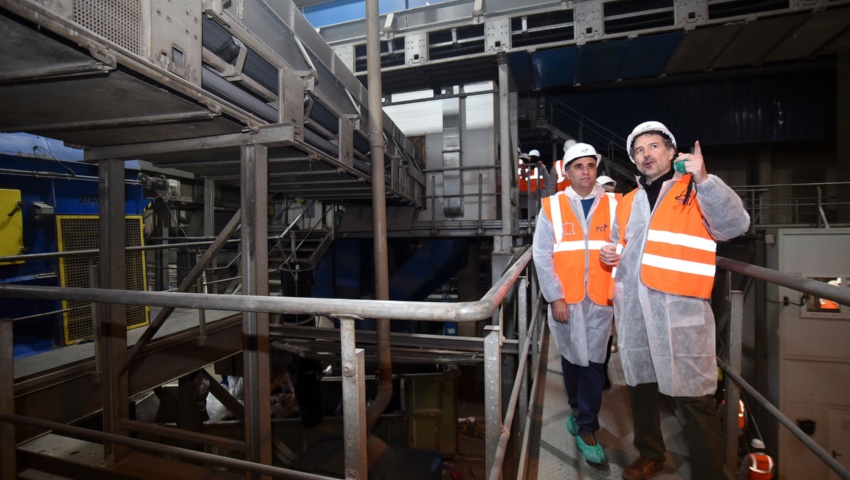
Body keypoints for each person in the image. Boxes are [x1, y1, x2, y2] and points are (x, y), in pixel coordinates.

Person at [600, 121, 750, 480]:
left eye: (653, 146)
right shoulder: (627, 202)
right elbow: (625, 246)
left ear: (671, 152)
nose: (645, 154)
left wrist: (705, 180)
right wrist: (612, 254)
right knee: (640, 388)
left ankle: (709, 473)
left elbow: (735, 225)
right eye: (638, 150)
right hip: (637, 311)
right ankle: (651, 454)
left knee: (695, 399)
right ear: (634, 161)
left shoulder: (695, 190)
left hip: (681, 312)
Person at [533, 142, 616, 465]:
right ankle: (574, 406)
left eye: (590, 166)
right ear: (567, 173)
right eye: (578, 167)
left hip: (600, 300)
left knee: (594, 364)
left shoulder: (613, 204)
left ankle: (586, 426)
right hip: (565, 300)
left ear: (596, 169)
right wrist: (555, 297)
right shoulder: (552, 206)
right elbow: (542, 254)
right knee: (570, 360)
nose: (585, 172)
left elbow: (626, 245)